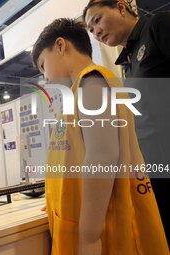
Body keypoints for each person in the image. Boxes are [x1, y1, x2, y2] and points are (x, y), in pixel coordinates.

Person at [32, 18, 168, 254]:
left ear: (61, 46)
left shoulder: (92, 82)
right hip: (88, 221)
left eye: (44, 66)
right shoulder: (79, 92)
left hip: (106, 231)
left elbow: (102, 157)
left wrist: (89, 237)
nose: (46, 79)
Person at [83, 0, 170, 243]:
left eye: (98, 20)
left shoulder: (159, 25)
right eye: (91, 30)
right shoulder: (127, 62)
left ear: (121, 7)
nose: (96, 32)